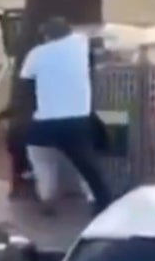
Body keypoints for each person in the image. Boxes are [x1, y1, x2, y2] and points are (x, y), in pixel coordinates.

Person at [19, 16, 113, 216]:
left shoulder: (36, 54)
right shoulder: (81, 43)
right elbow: (96, 34)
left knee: (42, 161)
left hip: (44, 123)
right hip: (78, 121)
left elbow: (26, 84)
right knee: (87, 167)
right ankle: (100, 201)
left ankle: (46, 197)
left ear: (46, 36)